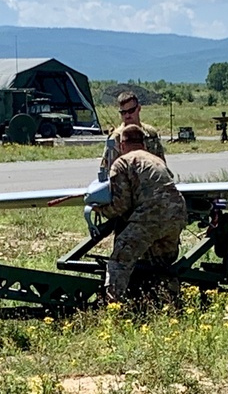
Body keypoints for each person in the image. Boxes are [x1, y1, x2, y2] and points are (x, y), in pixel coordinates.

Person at [95, 124, 187, 303]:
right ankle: (171, 301)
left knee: (120, 258)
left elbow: (121, 205)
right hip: (177, 213)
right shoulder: (156, 160)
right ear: (143, 144)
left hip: (151, 215)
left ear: (122, 145)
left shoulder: (122, 162)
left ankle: (114, 304)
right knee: (160, 263)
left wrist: (101, 209)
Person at [100, 91, 166, 172]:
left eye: (131, 111)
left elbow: (162, 164)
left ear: (138, 108)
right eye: (123, 113)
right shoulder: (115, 138)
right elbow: (106, 169)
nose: (127, 116)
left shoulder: (151, 134)